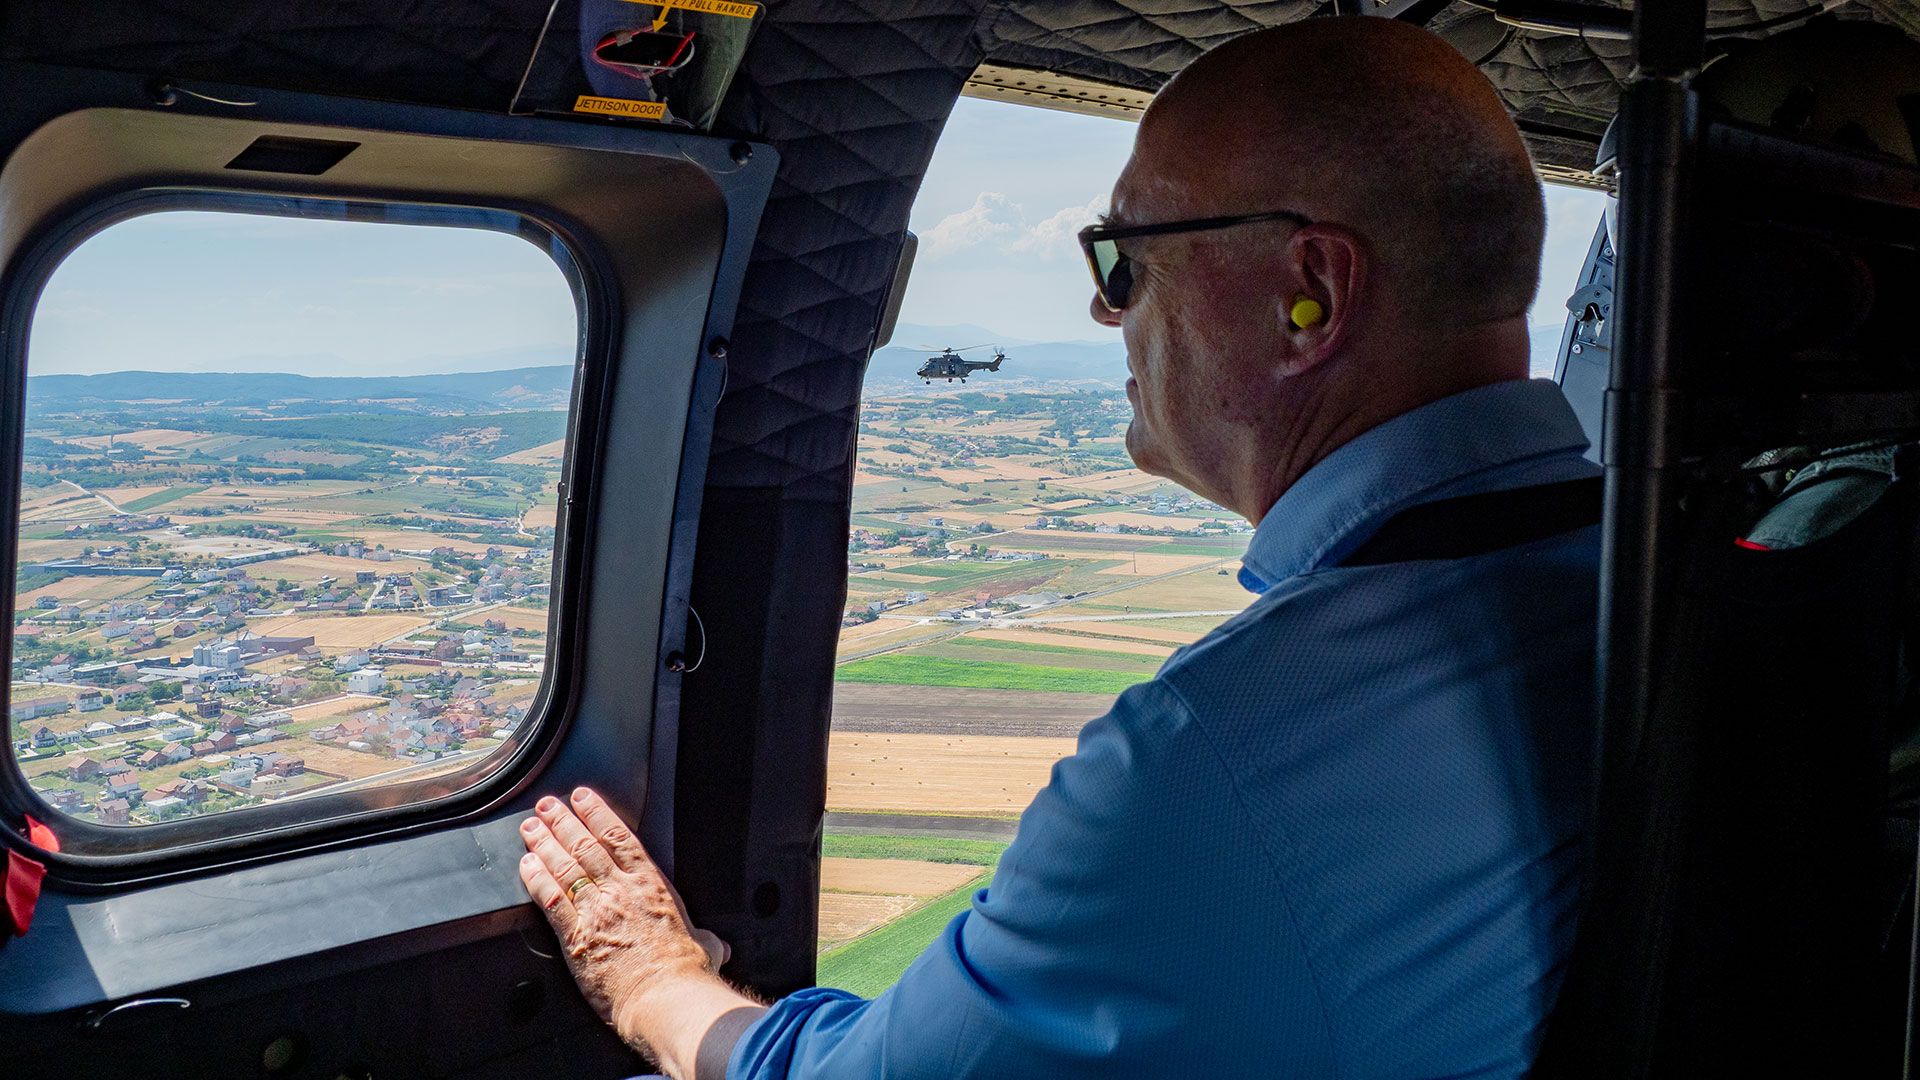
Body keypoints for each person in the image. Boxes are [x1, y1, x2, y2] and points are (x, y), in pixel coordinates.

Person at [516, 16, 1599, 1079]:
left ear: (1307, 296)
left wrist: (656, 982)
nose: (1101, 308)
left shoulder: (1221, 755)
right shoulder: (1633, 583)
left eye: (1125, 260)